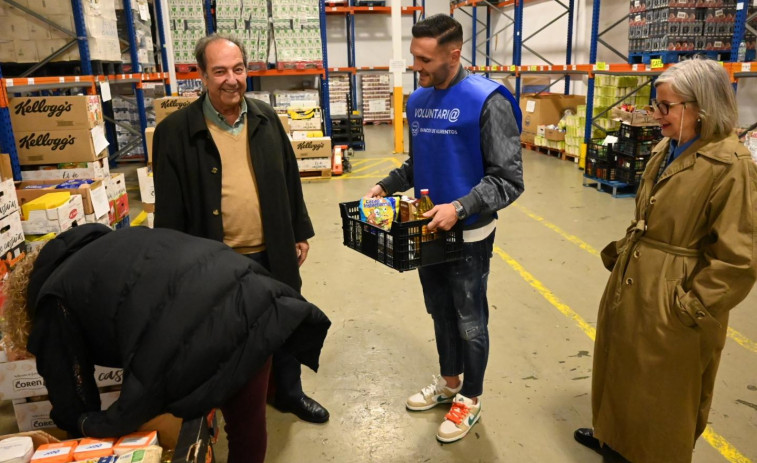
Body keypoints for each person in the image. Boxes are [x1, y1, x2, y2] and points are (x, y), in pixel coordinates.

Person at [0, 224, 331, 463]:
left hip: (204, 318)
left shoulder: (52, 302)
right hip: (255, 296)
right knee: (247, 423)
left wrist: (92, 425)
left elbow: (73, 400)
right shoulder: (103, 244)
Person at [574, 58, 757, 463]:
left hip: (676, 292)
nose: (657, 115)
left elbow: (738, 258)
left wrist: (691, 306)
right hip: (637, 278)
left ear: (701, 107)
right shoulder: (666, 147)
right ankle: (614, 437)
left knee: (663, 390)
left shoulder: (731, 165)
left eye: (666, 107)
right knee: (621, 365)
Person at [151, 34, 330, 424]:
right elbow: (168, 207)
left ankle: (289, 393)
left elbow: (289, 179)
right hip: (216, 258)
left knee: (282, 324)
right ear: (201, 76)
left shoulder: (266, 118)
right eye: (219, 71)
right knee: (224, 336)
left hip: (272, 249)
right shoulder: (176, 132)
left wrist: (298, 230)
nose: (231, 79)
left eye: (238, 69)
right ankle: (230, 403)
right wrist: (173, 264)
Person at [366, 14, 524, 443]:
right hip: (427, 229)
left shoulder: (487, 100)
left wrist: (460, 207)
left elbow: (508, 180)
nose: (417, 66)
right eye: (415, 56)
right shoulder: (417, 100)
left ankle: (470, 397)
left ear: (453, 54)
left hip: (469, 234)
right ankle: (450, 382)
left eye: (424, 58)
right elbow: (419, 164)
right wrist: (387, 184)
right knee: (439, 310)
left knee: (469, 319)